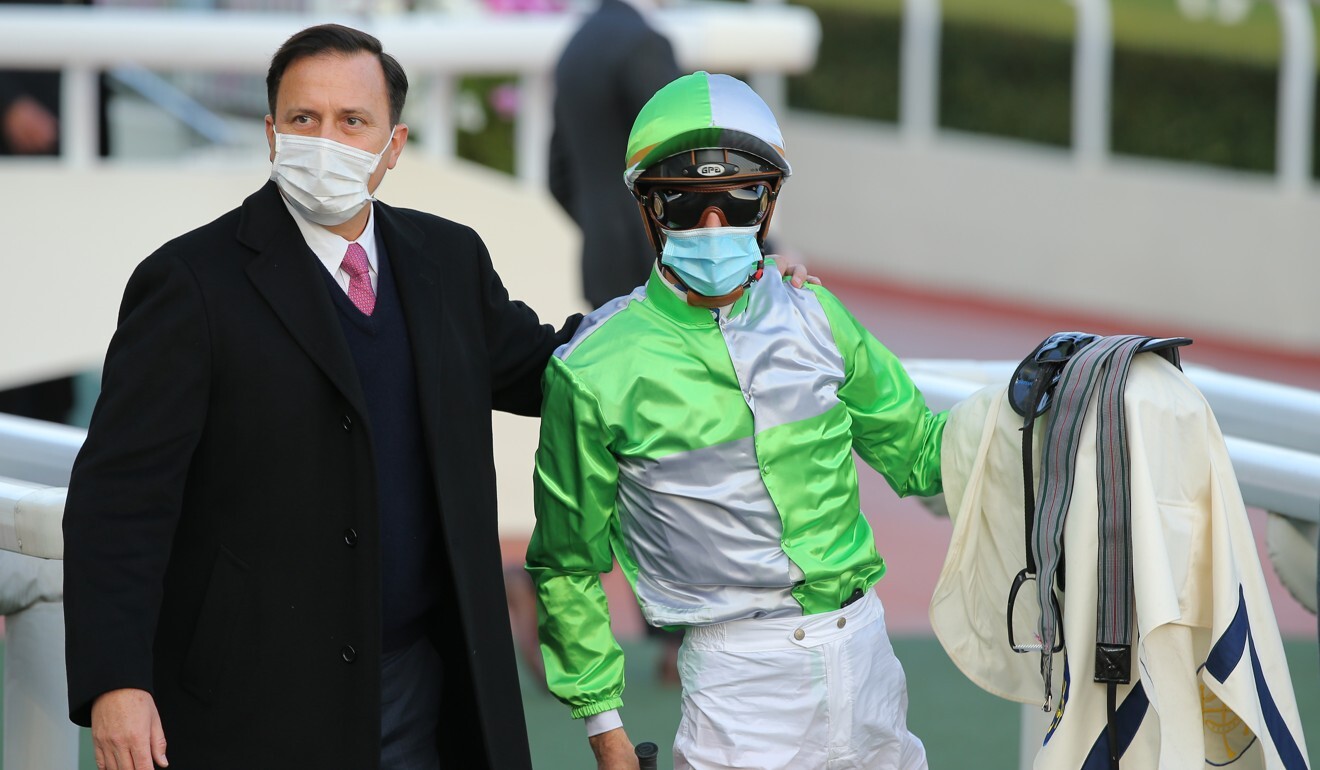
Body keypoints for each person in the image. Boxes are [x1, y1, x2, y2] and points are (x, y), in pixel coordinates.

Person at [61, 23, 582, 770]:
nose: (325, 140)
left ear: (393, 146)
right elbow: (121, 497)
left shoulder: (448, 261)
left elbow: (544, 366)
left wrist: (685, 317)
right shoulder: (189, 284)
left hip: (422, 684)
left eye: (352, 121)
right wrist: (117, 682)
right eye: (304, 119)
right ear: (272, 133)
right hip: (253, 701)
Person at [526, 72, 947, 770]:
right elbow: (567, 564)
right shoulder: (592, 369)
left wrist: (1045, 407)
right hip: (738, 679)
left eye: (737, 196)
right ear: (648, 210)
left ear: (769, 199)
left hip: (868, 654)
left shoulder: (818, 314)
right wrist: (607, 730)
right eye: (687, 205)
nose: (714, 224)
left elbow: (923, 455)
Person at [548, 0, 680, 310]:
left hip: (602, 264)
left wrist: (602, 226)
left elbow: (557, 177)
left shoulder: (575, 46)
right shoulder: (644, 44)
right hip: (662, 266)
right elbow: (683, 157)